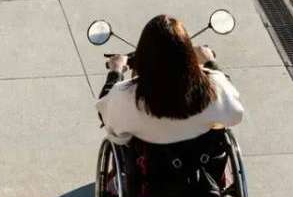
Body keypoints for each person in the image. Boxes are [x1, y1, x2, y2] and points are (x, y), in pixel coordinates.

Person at [96, 14, 244, 145]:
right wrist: (210, 62)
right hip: (202, 168)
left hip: (148, 171)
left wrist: (115, 71)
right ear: (189, 55)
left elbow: (105, 114)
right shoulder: (214, 88)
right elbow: (236, 115)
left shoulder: (125, 95)